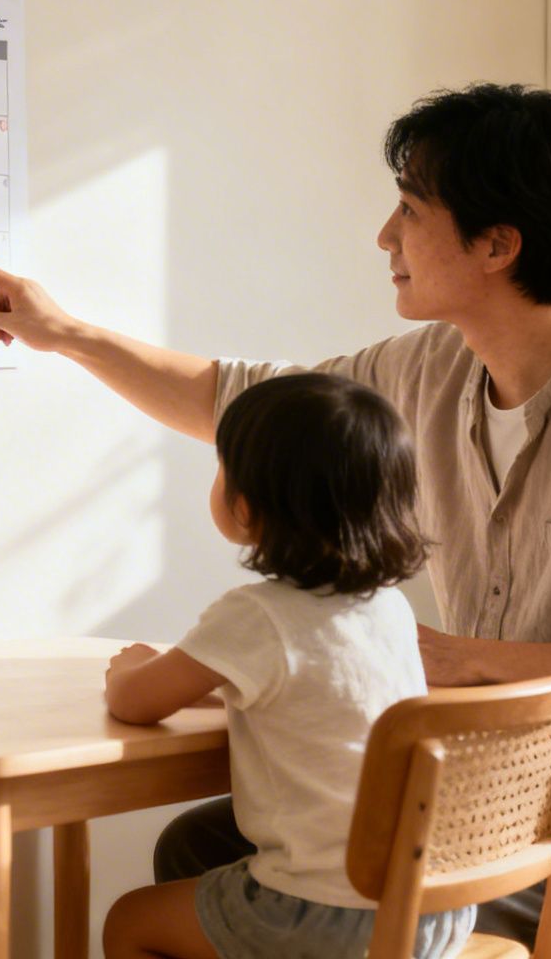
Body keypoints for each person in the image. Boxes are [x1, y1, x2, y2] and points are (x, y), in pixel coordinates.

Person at [0, 81, 551, 941]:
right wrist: (67, 332)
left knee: (344, 897)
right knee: (203, 841)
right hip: (489, 773)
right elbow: (247, 405)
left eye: (410, 210)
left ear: (497, 244)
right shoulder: (430, 368)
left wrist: (455, 664)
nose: (386, 236)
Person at [100, 372, 471, 959]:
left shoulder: (256, 615)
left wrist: (128, 665)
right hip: (434, 909)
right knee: (191, 854)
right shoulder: (388, 608)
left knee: (130, 921)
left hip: (331, 917)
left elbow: (133, 702)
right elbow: (304, 687)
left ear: (246, 502)